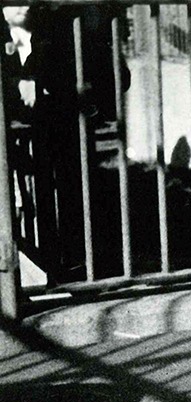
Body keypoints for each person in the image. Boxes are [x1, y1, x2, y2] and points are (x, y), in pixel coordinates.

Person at [2, 2, 128, 282]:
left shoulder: (58, 28)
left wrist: (53, 87)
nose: (24, 4)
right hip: (12, 136)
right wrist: (16, 86)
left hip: (62, 129)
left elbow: (110, 75)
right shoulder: (11, 34)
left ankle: (76, 264)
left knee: (72, 194)